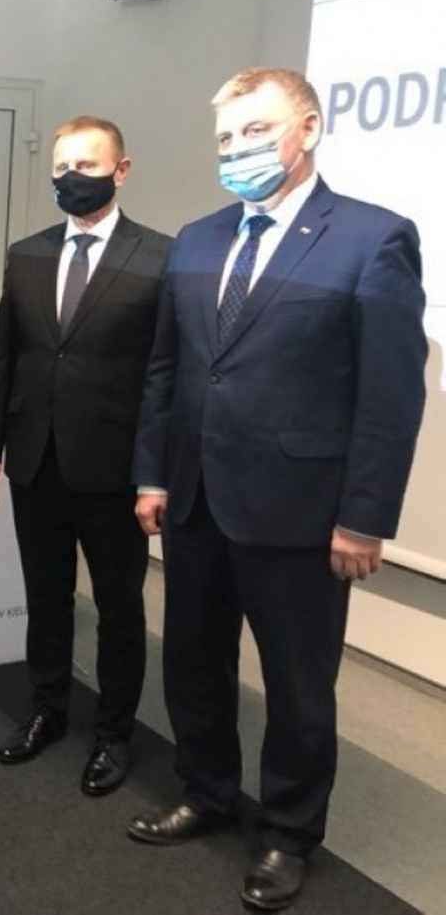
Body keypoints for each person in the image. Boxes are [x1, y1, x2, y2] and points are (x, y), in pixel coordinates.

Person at [127, 67, 426, 911]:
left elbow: (390, 394)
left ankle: (289, 833)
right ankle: (207, 791)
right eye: (226, 137)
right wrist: (152, 471)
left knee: (297, 685)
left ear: (309, 128)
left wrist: (364, 517)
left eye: (256, 131)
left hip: (301, 510)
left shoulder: (372, 238)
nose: (238, 149)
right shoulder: (197, 239)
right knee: (192, 658)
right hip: (195, 498)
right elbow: (168, 369)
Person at [0, 116, 171, 796]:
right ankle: (47, 709)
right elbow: (6, 354)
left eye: (86, 165)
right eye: (61, 167)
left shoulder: (160, 257)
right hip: (35, 458)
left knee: (118, 608)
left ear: (121, 170)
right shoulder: (27, 254)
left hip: (114, 468)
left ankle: (113, 734)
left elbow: (163, 375)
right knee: (46, 597)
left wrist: (155, 473)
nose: (70, 177)